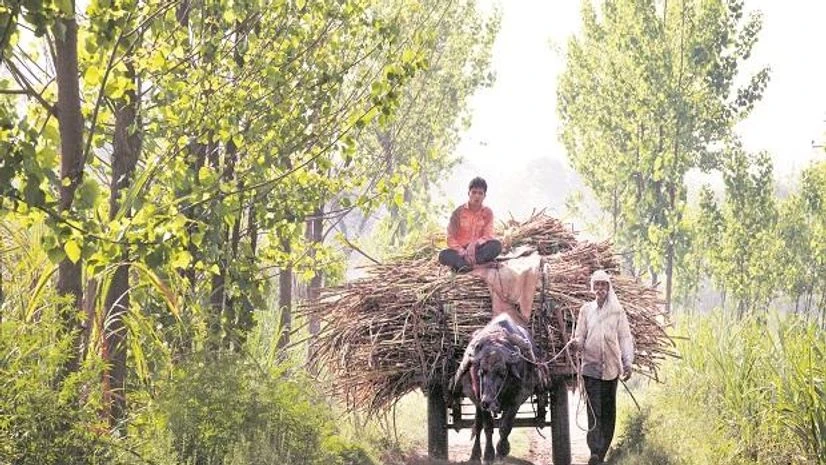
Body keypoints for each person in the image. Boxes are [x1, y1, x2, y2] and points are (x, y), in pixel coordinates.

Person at [571, 269, 634, 465]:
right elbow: (580, 334)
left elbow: (624, 337)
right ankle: (595, 451)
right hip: (590, 367)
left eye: (603, 285)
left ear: (609, 287)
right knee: (594, 411)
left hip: (611, 369)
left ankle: (603, 450)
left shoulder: (617, 311)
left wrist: (627, 362)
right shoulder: (586, 310)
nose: (600, 289)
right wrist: (577, 343)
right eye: (596, 285)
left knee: (609, 411)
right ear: (592, 288)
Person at [438, 177, 502, 272]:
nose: (477, 196)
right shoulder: (458, 212)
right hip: (460, 252)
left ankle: (465, 266)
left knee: (496, 245)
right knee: (443, 255)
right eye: (474, 192)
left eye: (480, 193)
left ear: (484, 196)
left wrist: (474, 244)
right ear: (469, 193)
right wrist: (462, 251)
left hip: (478, 251)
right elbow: (450, 237)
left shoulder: (488, 212)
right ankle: (472, 265)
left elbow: (488, 235)